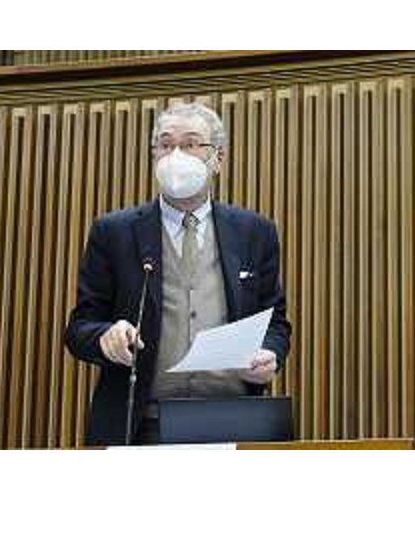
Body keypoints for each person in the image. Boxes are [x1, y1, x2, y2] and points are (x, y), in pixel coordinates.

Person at [65, 102, 291, 446]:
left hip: (235, 418)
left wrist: (270, 353)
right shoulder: (114, 232)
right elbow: (80, 327)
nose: (176, 156)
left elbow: (275, 322)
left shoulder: (254, 231)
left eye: (190, 144)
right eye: (166, 144)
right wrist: (105, 337)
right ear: (154, 155)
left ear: (218, 158)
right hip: (142, 423)